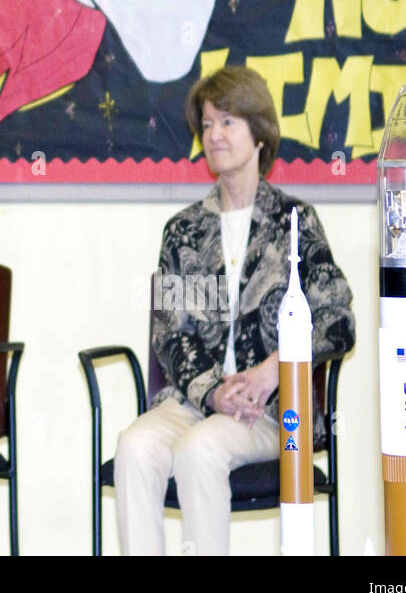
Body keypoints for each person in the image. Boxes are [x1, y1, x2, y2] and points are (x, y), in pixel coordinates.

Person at [114, 65, 356, 555]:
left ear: (259, 132)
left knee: (201, 449)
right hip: (195, 401)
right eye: (207, 124)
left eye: (228, 122)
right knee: (134, 446)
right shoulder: (183, 231)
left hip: (273, 411)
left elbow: (338, 318)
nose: (215, 135)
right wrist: (213, 394)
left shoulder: (294, 222)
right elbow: (171, 335)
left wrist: (273, 371)